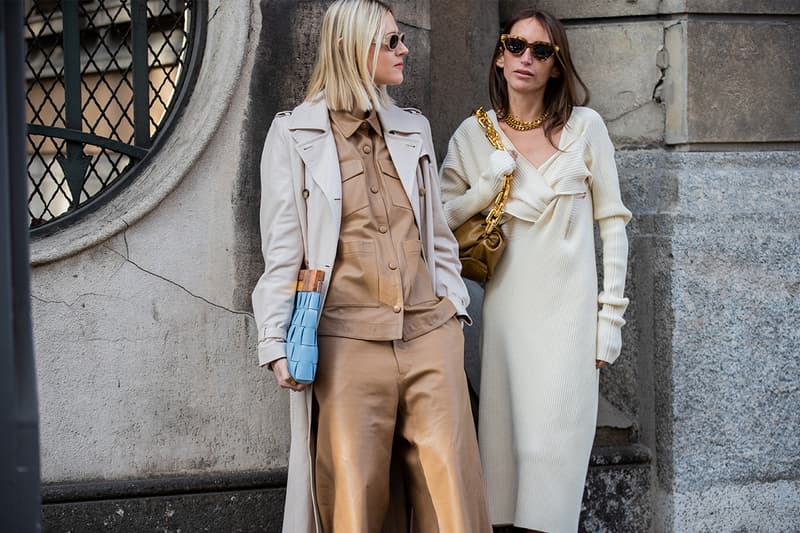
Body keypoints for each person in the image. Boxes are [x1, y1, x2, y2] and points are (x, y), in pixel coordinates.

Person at [251, 1, 491, 531]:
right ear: (348, 48)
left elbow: (436, 234)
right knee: (354, 504)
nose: (404, 50)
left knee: (455, 504)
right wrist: (274, 343)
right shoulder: (295, 135)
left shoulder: (413, 129)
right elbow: (283, 252)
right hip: (346, 345)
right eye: (390, 42)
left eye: (401, 38)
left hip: (430, 334)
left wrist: (453, 309)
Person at [439, 9, 631, 533]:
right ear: (500, 56)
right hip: (505, 324)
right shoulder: (472, 136)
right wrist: (483, 189)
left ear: (556, 66)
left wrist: (609, 317)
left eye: (541, 51)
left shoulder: (586, 129)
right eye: (516, 46)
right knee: (504, 463)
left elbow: (613, 223)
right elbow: (435, 220)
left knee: (554, 459)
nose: (527, 58)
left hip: (570, 325)